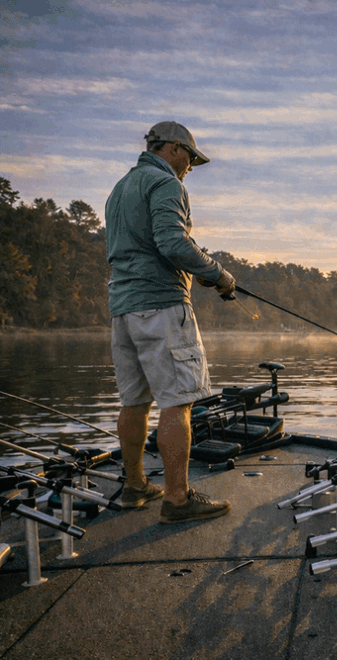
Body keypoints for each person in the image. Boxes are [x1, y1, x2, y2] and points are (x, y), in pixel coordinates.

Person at [105, 121, 235, 524]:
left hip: (123, 310)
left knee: (134, 402)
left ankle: (135, 485)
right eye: (191, 158)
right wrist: (218, 275)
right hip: (161, 306)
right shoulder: (165, 184)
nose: (191, 167)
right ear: (174, 148)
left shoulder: (120, 188)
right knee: (177, 403)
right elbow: (172, 242)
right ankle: (178, 499)